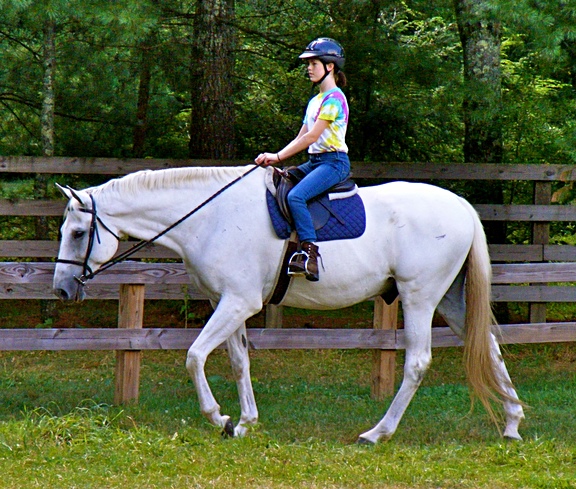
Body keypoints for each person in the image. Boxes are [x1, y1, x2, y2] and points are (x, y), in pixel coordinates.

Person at [255, 37, 350, 282]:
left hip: (334, 162)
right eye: (307, 63)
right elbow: (300, 137)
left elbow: (312, 137)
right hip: (315, 161)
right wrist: (277, 161)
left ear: (330, 66)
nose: (308, 68)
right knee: (281, 181)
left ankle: (309, 254)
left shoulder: (334, 99)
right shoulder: (315, 101)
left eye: (313, 63)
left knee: (297, 196)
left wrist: (276, 156)